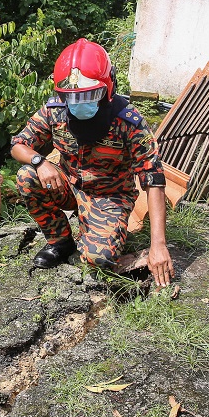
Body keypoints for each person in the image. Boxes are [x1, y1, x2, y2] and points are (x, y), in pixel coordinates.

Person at [10, 38, 175, 288]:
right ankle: (60, 240)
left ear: (107, 88)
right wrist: (39, 161)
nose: (79, 103)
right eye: (72, 96)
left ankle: (97, 230)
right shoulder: (55, 111)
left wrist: (158, 245)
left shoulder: (128, 122)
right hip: (68, 185)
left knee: (98, 258)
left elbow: (153, 179)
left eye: (89, 95)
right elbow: (18, 144)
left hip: (109, 195)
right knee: (26, 175)